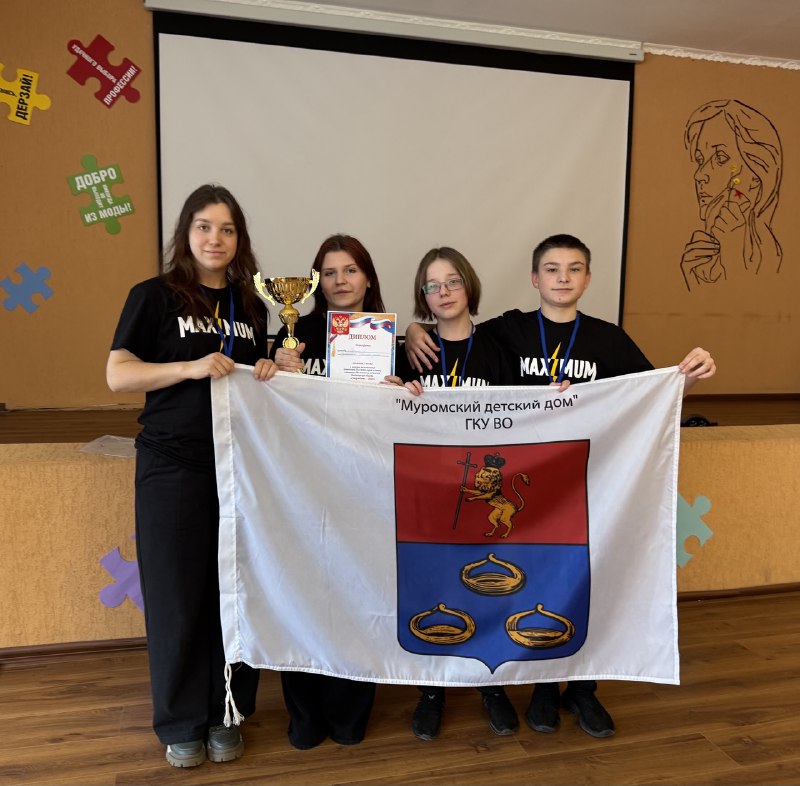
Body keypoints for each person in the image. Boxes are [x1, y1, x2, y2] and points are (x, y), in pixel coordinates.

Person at [404, 233, 716, 739]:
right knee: (523, 584)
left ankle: (577, 688)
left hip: (585, 485)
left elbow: (653, 393)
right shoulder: (508, 332)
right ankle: (523, 684)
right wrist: (415, 329)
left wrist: (691, 375)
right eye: (552, 269)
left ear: (588, 278)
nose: (563, 278)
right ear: (535, 278)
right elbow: (454, 326)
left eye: (574, 269)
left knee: (577, 582)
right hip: (519, 486)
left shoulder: (608, 339)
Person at [106, 184, 277, 768]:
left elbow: (253, 382)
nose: (215, 239)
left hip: (238, 468)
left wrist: (273, 368)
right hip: (172, 465)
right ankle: (181, 722)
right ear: (186, 233)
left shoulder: (251, 306)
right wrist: (189, 367)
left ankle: (226, 712)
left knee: (232, 594)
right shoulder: (153, 296)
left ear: (239, 240)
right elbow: (118, 374)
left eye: (227, 229)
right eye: (204, 227)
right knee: (177, 598)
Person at [390, 247, 518, 741]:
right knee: (432, 589)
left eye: (452, 282)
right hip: (426, 494)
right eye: (432, 285)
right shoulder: (410, 349)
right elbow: (382, 409)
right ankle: (432, 689)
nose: (443, 292)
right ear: (422, 296)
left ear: (469, 286)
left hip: (481, 495)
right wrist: (392, 389)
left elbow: (525, 414)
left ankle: (491, 684)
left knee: (485, 587)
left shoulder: (499, 346)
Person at [269, 233, 384, 748]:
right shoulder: (294, 334)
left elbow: (407, 414)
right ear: (315, 282)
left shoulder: (389, 337)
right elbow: (267, 404)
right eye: (329, 272)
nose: (340, 281)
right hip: (302, 489)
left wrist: (399, 392)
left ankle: (350, 707)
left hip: (363, 489)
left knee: (359, 593)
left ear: (367, 278)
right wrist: (275, 371)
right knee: (304, 595)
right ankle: (304, 712)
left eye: (350, 270)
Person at [682, 99, 782, 290]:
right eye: (701, 160)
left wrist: (733, 259)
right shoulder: (703, 257)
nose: (699, 174)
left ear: (756, 175)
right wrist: (692, 283)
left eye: (720, 158)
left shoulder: (767, 256)